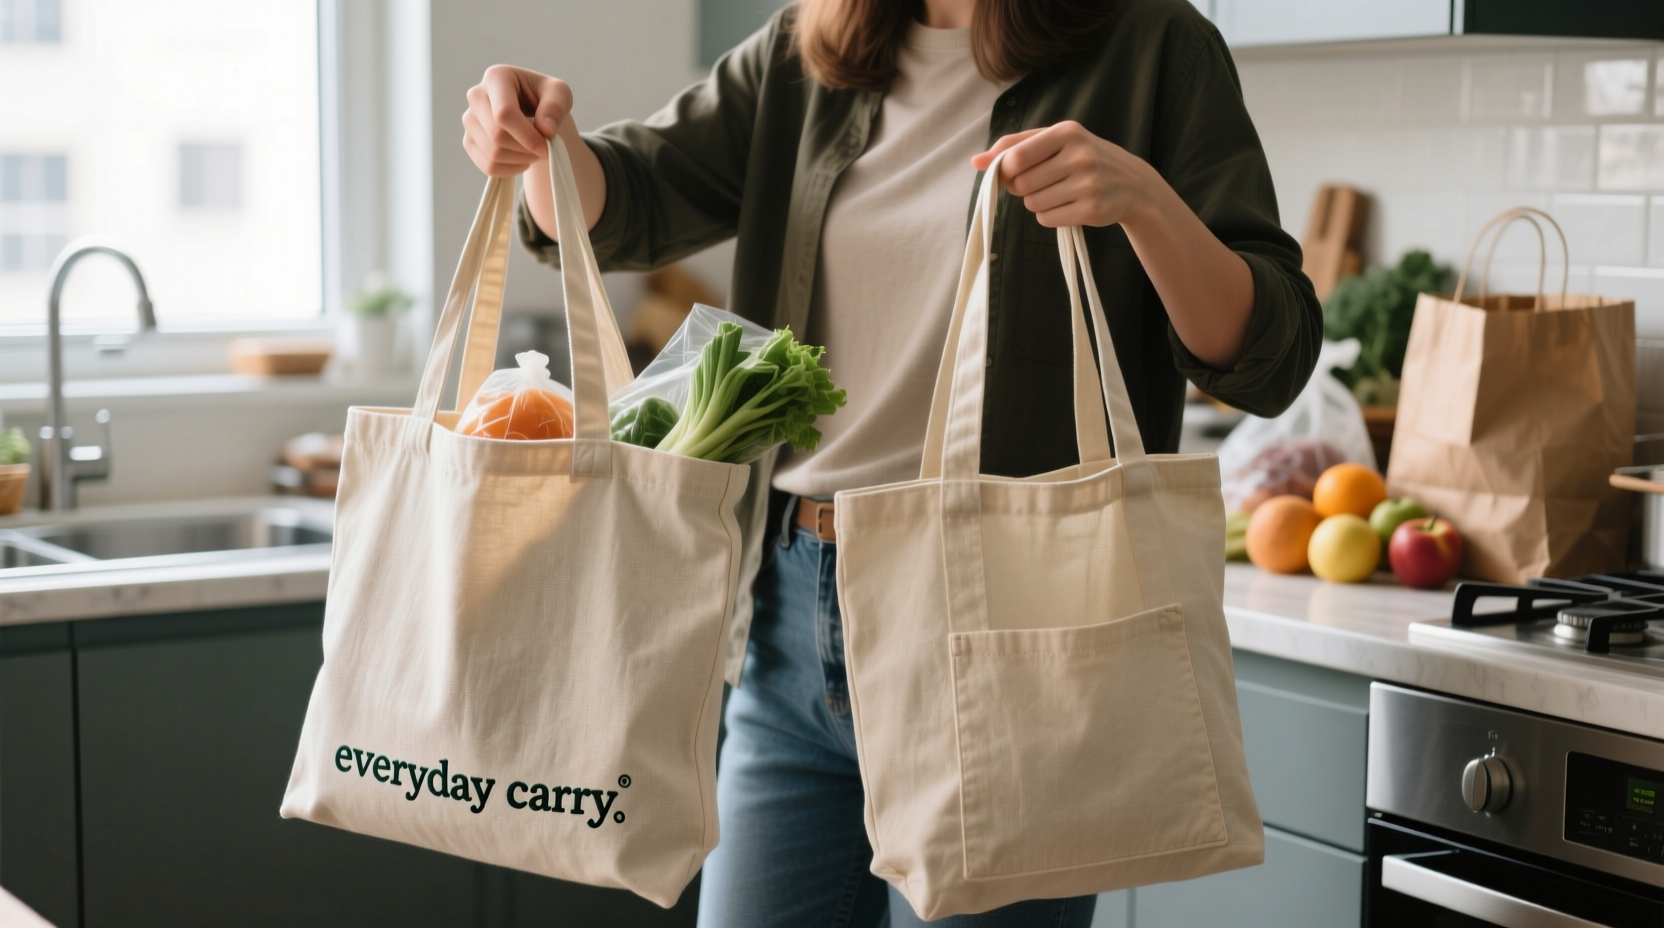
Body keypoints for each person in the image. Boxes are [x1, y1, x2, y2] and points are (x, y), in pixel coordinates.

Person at [462, 0, 1320, 923]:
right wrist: (537, 142)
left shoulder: (1153, 43)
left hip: (1012, 632)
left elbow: (1270, 353)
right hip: (790, 620)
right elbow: (620, 197)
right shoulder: (810, 47)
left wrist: (1147, 203)